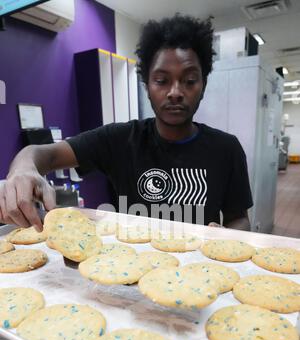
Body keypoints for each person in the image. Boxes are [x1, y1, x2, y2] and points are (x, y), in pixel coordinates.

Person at [0, 14, 253, 232]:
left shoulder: (226, 149)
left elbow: (239, 218)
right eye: (162, 80)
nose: (175, 91)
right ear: (147, 85)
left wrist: (228, 237)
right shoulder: (120, 140)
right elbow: (44, 155)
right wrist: (22, 169)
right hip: (127, 276)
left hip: (196, 276)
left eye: (189, 80)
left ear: (203, 85)